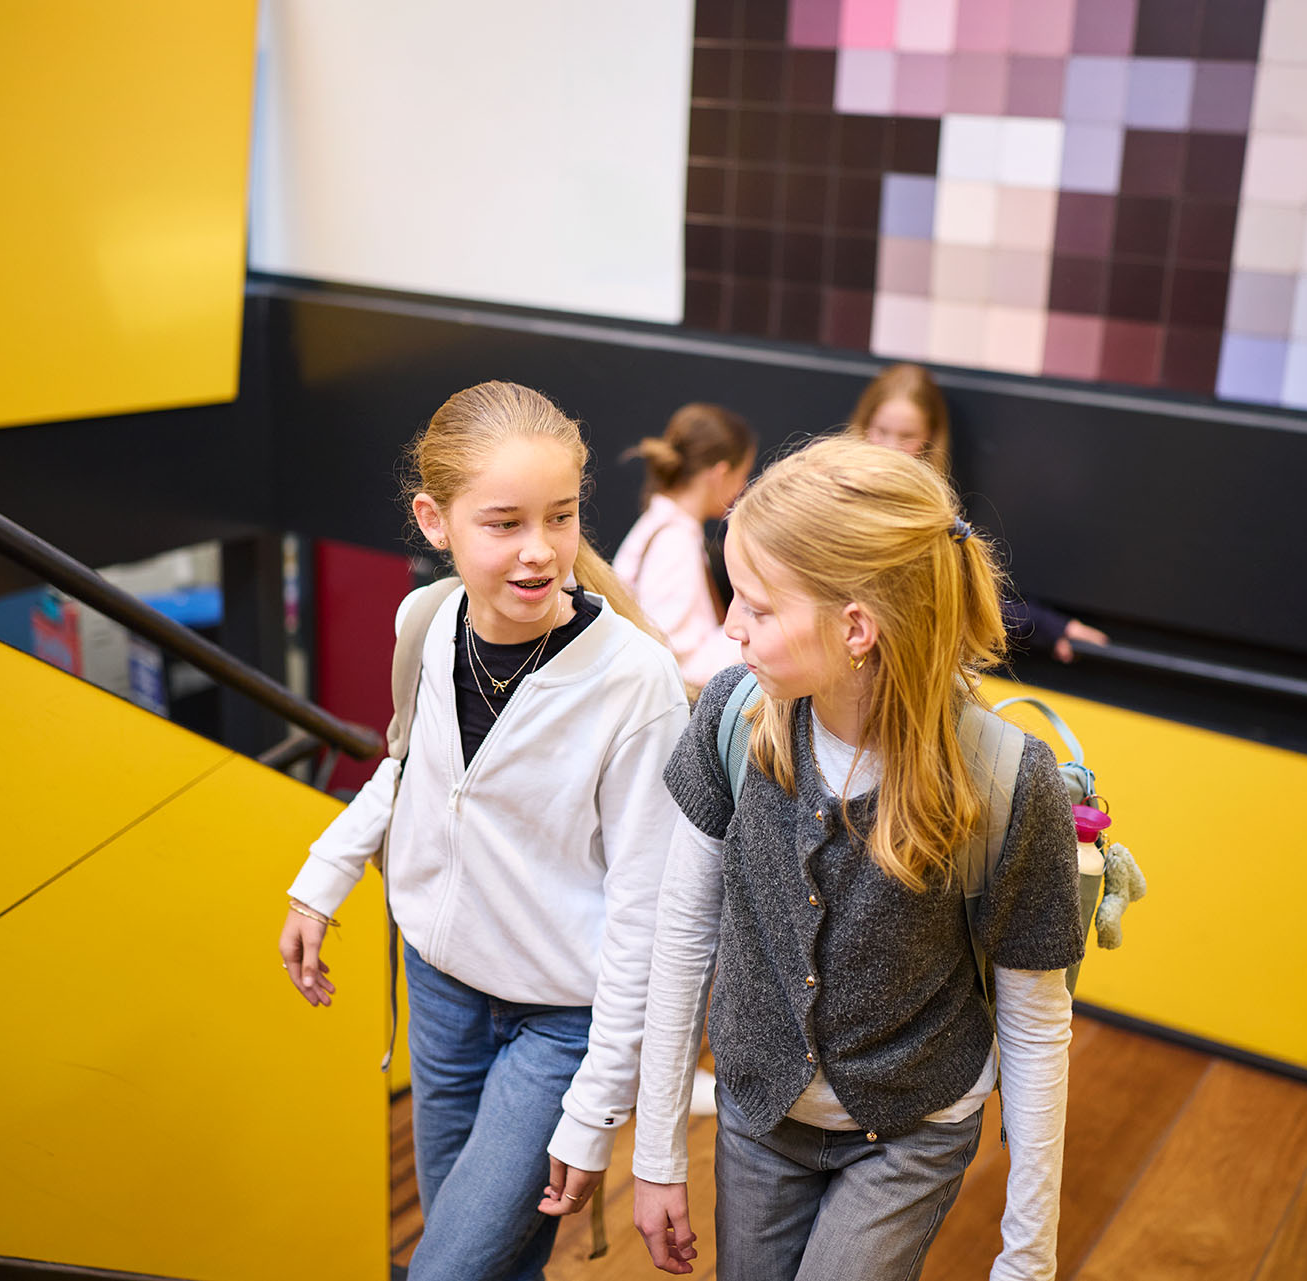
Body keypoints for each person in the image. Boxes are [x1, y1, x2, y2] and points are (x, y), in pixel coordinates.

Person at [631, 437, 1084, 1280]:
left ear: (855, 628)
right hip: (759, 1117)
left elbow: (1034, 1020)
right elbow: (683, 933)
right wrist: (656, 1150)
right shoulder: (732, 717)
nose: (729, 625)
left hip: (911, 1135)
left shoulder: (1006, 779)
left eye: (757, 607)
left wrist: (1029, 1253)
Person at [279, 381, 689, 1281]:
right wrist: (323, 876)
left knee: (447, 1267)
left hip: (560, 1021)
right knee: (494, 1265)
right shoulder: (426, 621)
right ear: (435, 521)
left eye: (561, 516)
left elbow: (646, 912)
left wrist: (597, 1106)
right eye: (504, 523)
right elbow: (410, 769)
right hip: (440, 989)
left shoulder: (636, 681)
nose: (540, 549)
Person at [845, 362, 1110, 663]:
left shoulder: (930, 510)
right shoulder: (836, 493)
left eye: (906, 436)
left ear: (930, 438)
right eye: (881, 431)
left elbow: (962, 593)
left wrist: (1051, 626)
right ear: (863, 424)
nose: (890, 449)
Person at [614, 403, 755, 688]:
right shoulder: (673, 543)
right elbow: (679, 659)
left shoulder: (664, 528)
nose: (742, 488)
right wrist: (756, 633)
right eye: (742, 475)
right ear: (720, 473)